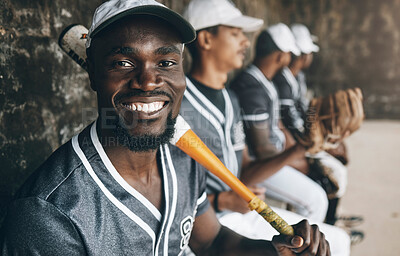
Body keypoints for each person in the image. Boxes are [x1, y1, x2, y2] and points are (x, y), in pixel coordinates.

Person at [0, 0, 331, 255]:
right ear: (93, 76)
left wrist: (275, 249)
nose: (148, 81)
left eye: (165, 62)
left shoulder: (182, 160)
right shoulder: (48, 215)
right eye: (123, 63)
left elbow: (212, 242)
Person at [181, 1, 349, 255]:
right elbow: (165, 190)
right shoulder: (180, 103)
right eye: (235, 33)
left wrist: (304, 148)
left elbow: (245, 169)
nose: (246, 42)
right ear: (205, 39)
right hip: (209, 225)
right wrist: (220, 200)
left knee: (333, 242)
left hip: (241, 210)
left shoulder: (230, 98)